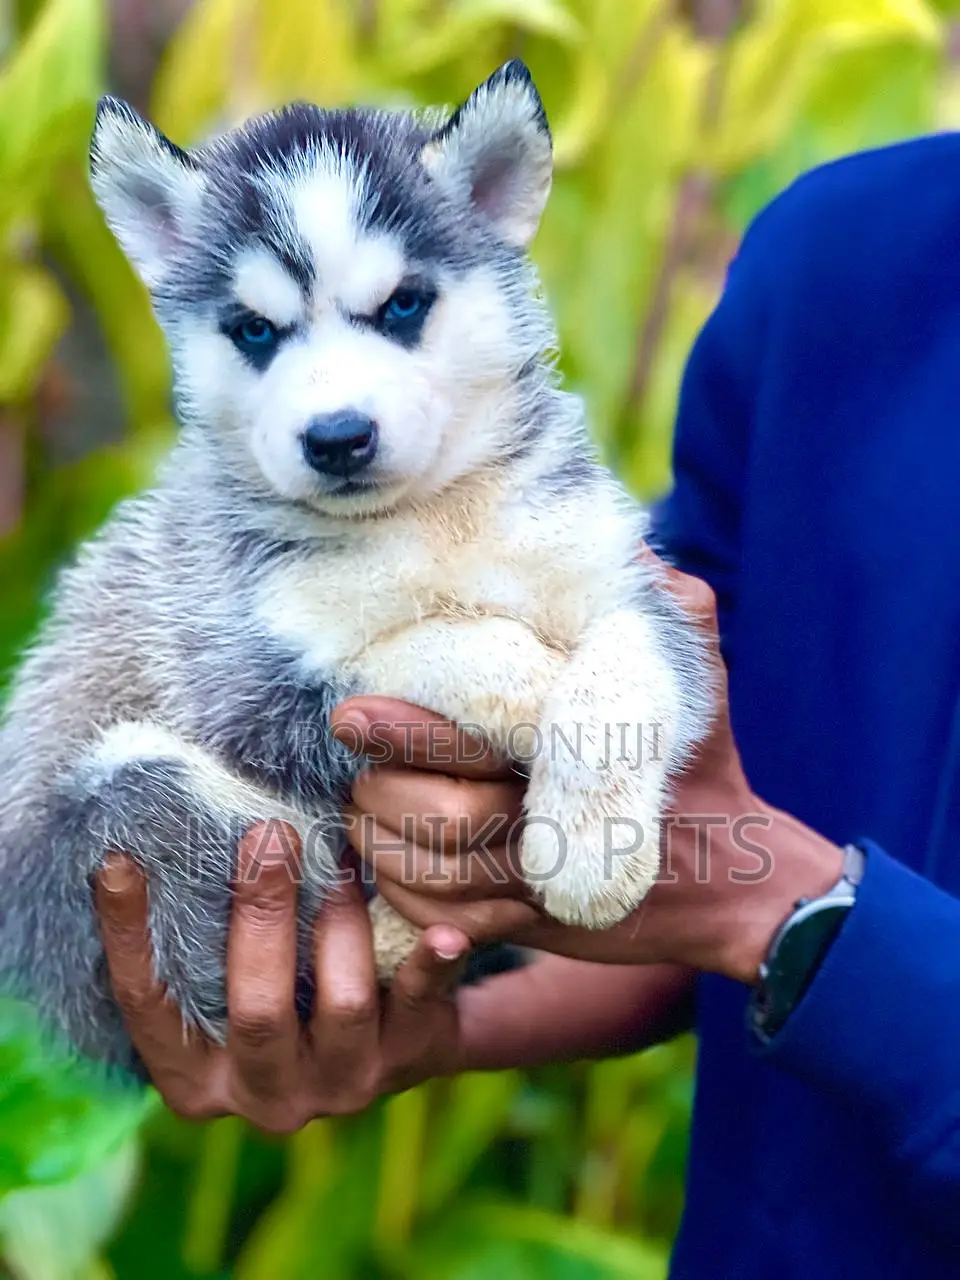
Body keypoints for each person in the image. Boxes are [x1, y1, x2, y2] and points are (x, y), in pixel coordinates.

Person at [94, 134, 960, 1277]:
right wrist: (411, 1011)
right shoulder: (835, 255)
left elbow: (719, 869)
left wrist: (792, 913)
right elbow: (662, 844)